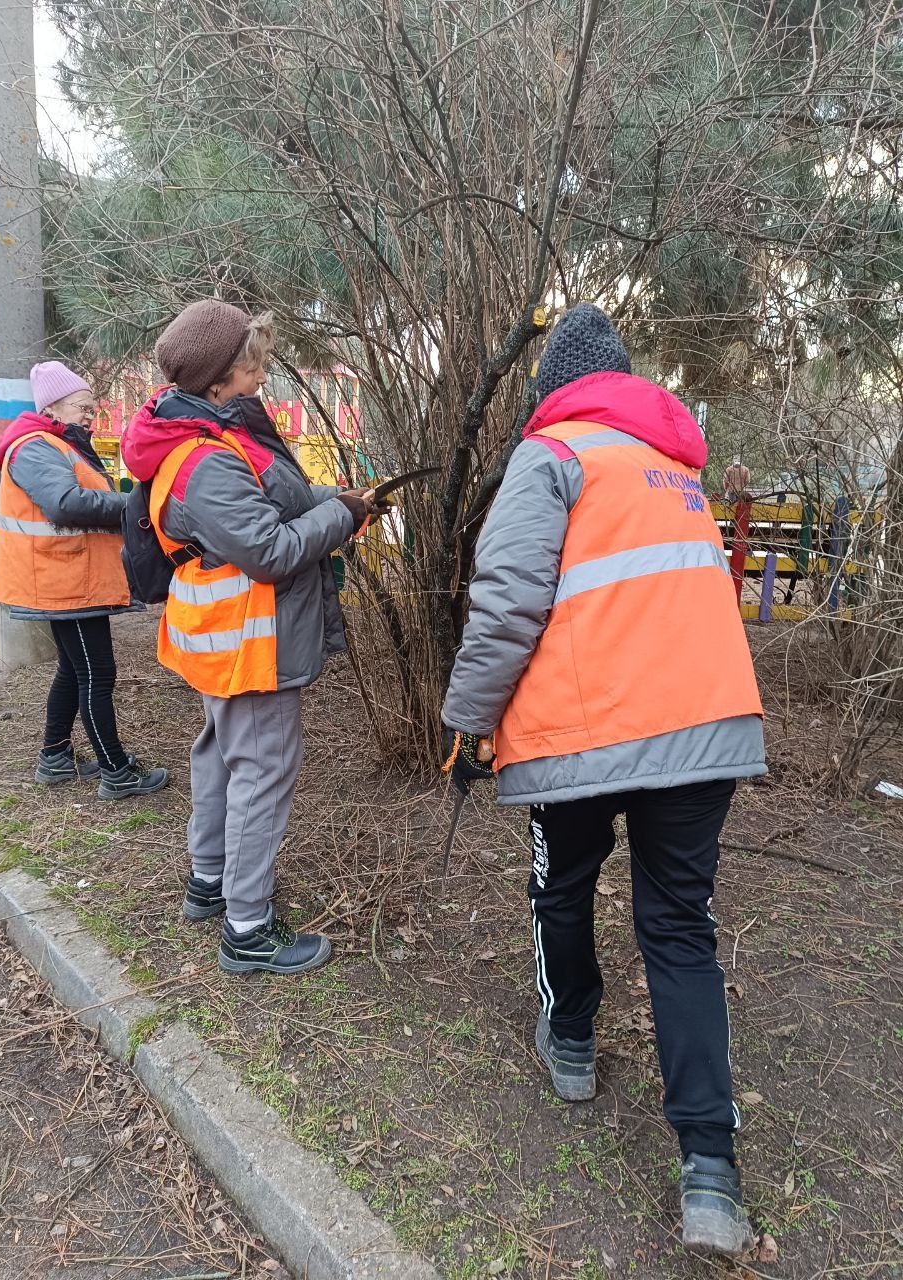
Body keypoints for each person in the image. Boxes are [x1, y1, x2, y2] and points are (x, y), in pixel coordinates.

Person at [441, 305, 766, 1257]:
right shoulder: (676, 470)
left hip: (586, 733)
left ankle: (572, 1043)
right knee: (679, 930)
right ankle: (710, 1169)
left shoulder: (554, 460)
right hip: (707, 728)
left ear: (551, 388)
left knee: (563, 883)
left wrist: (466, 725)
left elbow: (504, 607)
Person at [121, 299, 383, 978]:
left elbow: (275, 498)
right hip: (248, 644)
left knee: (218, 757)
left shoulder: (207, 435)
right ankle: (247, 928)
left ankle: (210, 882)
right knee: (261, 773)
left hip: (222, 640)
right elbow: (270, 548)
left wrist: (337, 498)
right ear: (216, 382)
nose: (262, 377)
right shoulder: (205, 460)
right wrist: (344, 517)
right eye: (252, 367)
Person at [0, 361, 169, 801]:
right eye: (82, 407)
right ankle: (116, 771)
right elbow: (65, 503)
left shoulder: (53, 444)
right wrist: (132, 507)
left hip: (66, 578)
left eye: (93, 407)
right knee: (97, 674)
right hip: (64, 581)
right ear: (52, 406)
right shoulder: (36, 447)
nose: (91, 416)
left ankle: (54, 757)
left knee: (74, 670)